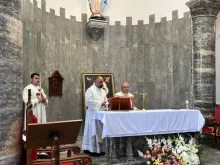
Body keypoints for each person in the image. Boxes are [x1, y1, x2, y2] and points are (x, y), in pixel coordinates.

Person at [82, 76, 108, 156]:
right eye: (100, 82)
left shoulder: (103, 91)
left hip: (101, 114)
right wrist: (100, 103)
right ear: (95, 81)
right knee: (92, 131)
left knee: (100, 131)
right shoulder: (90, 90)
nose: (102, 84)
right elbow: (88, 102)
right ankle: (91, 149)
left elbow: (106, 100)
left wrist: (107, 103)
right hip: (92, 115)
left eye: (102, 82)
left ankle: (101, 149)